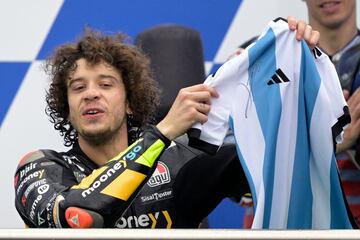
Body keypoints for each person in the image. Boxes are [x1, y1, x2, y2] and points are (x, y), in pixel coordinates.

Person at [14, 18, 319, 228]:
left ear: (131, 102)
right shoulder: (40, 167)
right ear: (67, 109)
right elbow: (78, 215)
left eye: (105, 85)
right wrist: (161, 134)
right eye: (78, 88)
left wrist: (292, 61)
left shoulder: (179, 165)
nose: (91, 94)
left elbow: (282, 163)